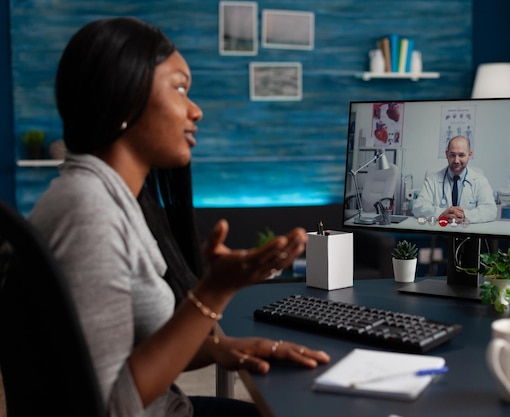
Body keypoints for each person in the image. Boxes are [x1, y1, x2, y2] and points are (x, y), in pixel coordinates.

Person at [28, 17, 329, 417]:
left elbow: (133, 355)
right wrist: (213, 292)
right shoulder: (89, 213)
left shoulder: (108, 199)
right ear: (125, 97)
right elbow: (109, 405)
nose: (196, 110)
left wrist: (223, 347)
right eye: (180, 88)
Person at [412, 135, 497, 224]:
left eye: (461, 155)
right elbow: (418, 207)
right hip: (439, 233)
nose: (456, 160)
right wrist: (441, 213)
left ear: (470, 155)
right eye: (452, 155)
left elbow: (490, 210)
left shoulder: (480, 181)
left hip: (469, 233)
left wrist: (464, 215)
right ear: (446, 154)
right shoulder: (432, 180)